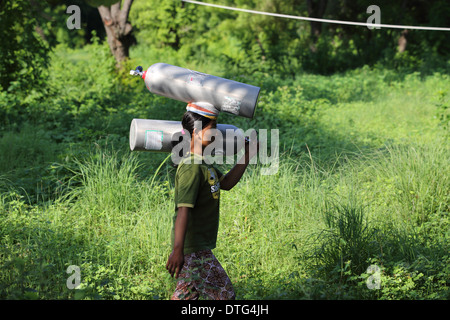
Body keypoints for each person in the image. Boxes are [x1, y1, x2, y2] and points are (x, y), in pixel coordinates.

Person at [166, 104, 258, 300]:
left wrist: (248, 155)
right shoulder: (191, 166)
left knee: (187, 295)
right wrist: (177, 250)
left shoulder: (203, 163)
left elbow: (226, 184)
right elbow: (183, 209)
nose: (217, 133)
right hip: (194, 249)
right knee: (224, 295)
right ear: (198, 132)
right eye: (213, 127)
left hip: (197, 247)